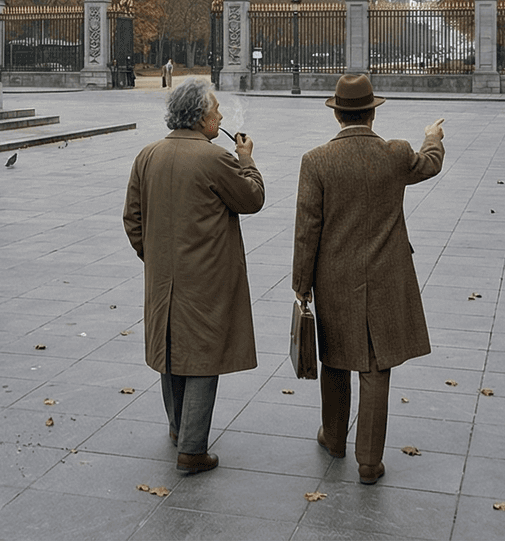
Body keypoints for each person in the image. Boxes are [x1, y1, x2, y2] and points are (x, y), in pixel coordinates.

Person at [293, 73, 445, 484]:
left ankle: (334, 437)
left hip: (334, 277)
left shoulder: (316, 160)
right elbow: (429, 164)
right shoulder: (396, 154)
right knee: (376, 367)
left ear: (338, 114)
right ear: (372, 114)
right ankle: (369, 461)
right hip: (385, 276)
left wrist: (301, 284)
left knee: (336, 359)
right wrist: (432, 136)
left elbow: (308, 229)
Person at [123, 80, 262, 475]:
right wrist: (247, 158)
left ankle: (179, 428)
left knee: (171, 348)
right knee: (202, 355)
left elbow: (132, 217)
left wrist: (152, 256)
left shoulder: (148, 154)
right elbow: (251, 199)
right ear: (201, 118)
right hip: (207, 275)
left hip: (164, 276)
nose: (220, 117)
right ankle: (193, 448)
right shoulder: (215, 158)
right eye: (216, 111)